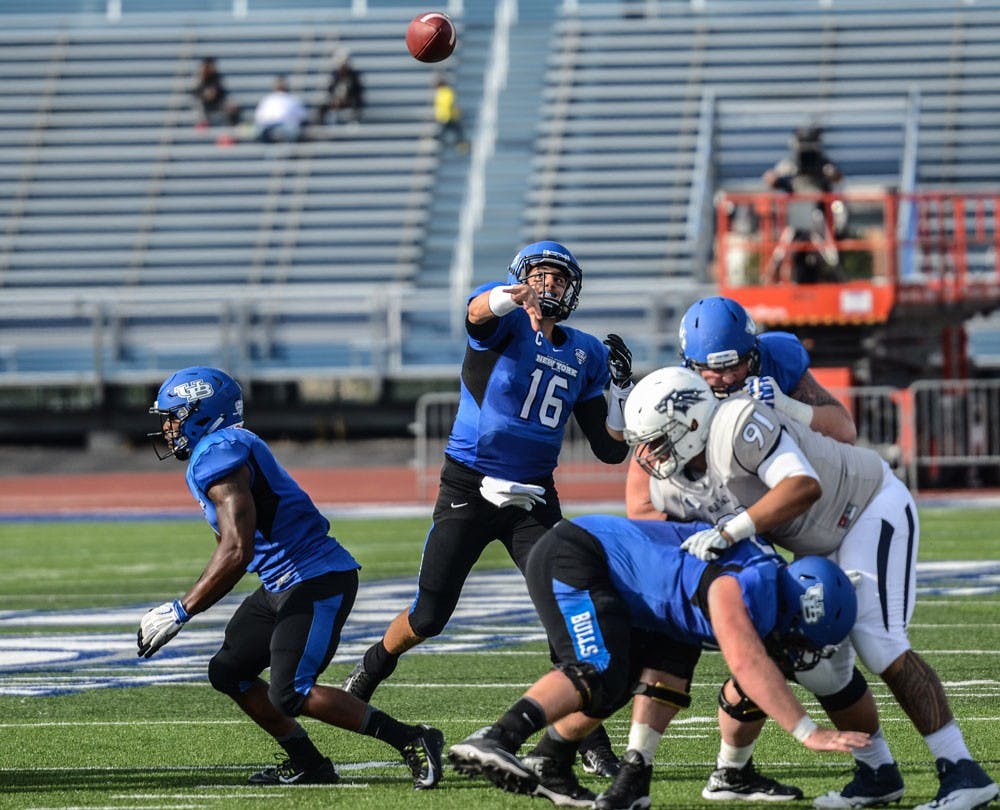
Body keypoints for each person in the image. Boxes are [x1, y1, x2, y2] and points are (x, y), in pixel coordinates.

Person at [621, 365, 999, 810]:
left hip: (865, 507)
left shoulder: (736, 424)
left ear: (689, 423)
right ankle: (877, 774)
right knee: (819, 665)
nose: (649, 455)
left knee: (879, 643)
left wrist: (729, 532)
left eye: (657, 440)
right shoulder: (672, 486)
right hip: (813, 541)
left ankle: (962, 771)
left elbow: (803, 486)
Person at [341, 241, 634, 800]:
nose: (551, 285)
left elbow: (609, 450)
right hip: (470, 485)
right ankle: (374, 666)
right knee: (430, 613)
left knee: (570, 613)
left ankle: (586, 741)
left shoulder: (586, 354)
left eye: (559, 277)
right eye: (541, 275)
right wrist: (507, 296)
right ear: (521, 279)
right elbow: (476, 313)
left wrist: (621, 390)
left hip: (533, 499)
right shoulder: (503, 325)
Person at [136, 366, 444, 789]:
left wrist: (181, 609)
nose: (168, 427)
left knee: (291, 692)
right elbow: (239, 548)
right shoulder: (220, 449)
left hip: (315, 578)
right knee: (229, 670)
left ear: (201, 414)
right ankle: (309, 763)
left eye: (174, 416)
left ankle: (411, 738)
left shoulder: (218, 454)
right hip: (283, 581)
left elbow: (237, 550)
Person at [448, 514, 869, 810]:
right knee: (600, 667)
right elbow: (746, 663)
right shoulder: (746, 587)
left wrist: (638, 769)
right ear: (795, 610)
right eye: (801, 639)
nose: (798, 652)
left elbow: (694, 676)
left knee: (644, 672)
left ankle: (557, 762)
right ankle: (497, 737)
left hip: (633, 592)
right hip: (579, 556)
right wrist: (808, 731)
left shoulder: (763, 589)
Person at [626, 296, 856, 522]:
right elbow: (640, 507)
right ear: (692, 367)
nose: (728, 378)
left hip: (789, 485)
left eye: (736, 365)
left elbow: (844, 432)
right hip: (718, 503)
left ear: (754, 352)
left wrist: (787, 406)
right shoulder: (677, 394)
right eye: (715, 370)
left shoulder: (775, 360)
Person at [763, 126, 846, 284]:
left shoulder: (824, 164)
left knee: (827, 248)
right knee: (784, 246)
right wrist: (779, 179)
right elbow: (770, 179)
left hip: (817, 214)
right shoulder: (789, 165)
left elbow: (837, 177)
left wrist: (829, 175)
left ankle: (838, 276)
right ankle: (770, 276)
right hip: (796, 215)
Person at [253, 76, 308, 143]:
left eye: (282, 83)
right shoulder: (267, 99)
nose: (280, 85)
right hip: (269, 124)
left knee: (293, 130)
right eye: (278, 83)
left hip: (287, 124)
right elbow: (259, 116)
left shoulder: (293, 99)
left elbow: (302, 116)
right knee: (259, 131)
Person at [190, 56, 241, 128]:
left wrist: (214, 93)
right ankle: (203, 124)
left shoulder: (217, 78)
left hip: (217, 104)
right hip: (204, 106)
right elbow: (194, 93)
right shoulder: (198, 79)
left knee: (232, 107)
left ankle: (234, 126)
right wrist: (204, 94)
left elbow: (222, 93)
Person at [316, 53, 364, 125]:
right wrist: (335, 99)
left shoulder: (354, 76)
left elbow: (358, 91)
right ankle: (320, 124)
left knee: (357, 104)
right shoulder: (335, 75)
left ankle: (354, 122)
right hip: (336, 100)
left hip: (350, 101)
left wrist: (348, 99)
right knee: (322, 106)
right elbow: (330, 89)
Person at [434, 75, 468, 152]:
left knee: (450, 132)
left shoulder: (441, 93)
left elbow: (447, 105)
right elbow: (450, 104)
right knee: (458, 133)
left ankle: (448, 145)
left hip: (446, 117)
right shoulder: (447, 92)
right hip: (449, 116)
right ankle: (460, 146)